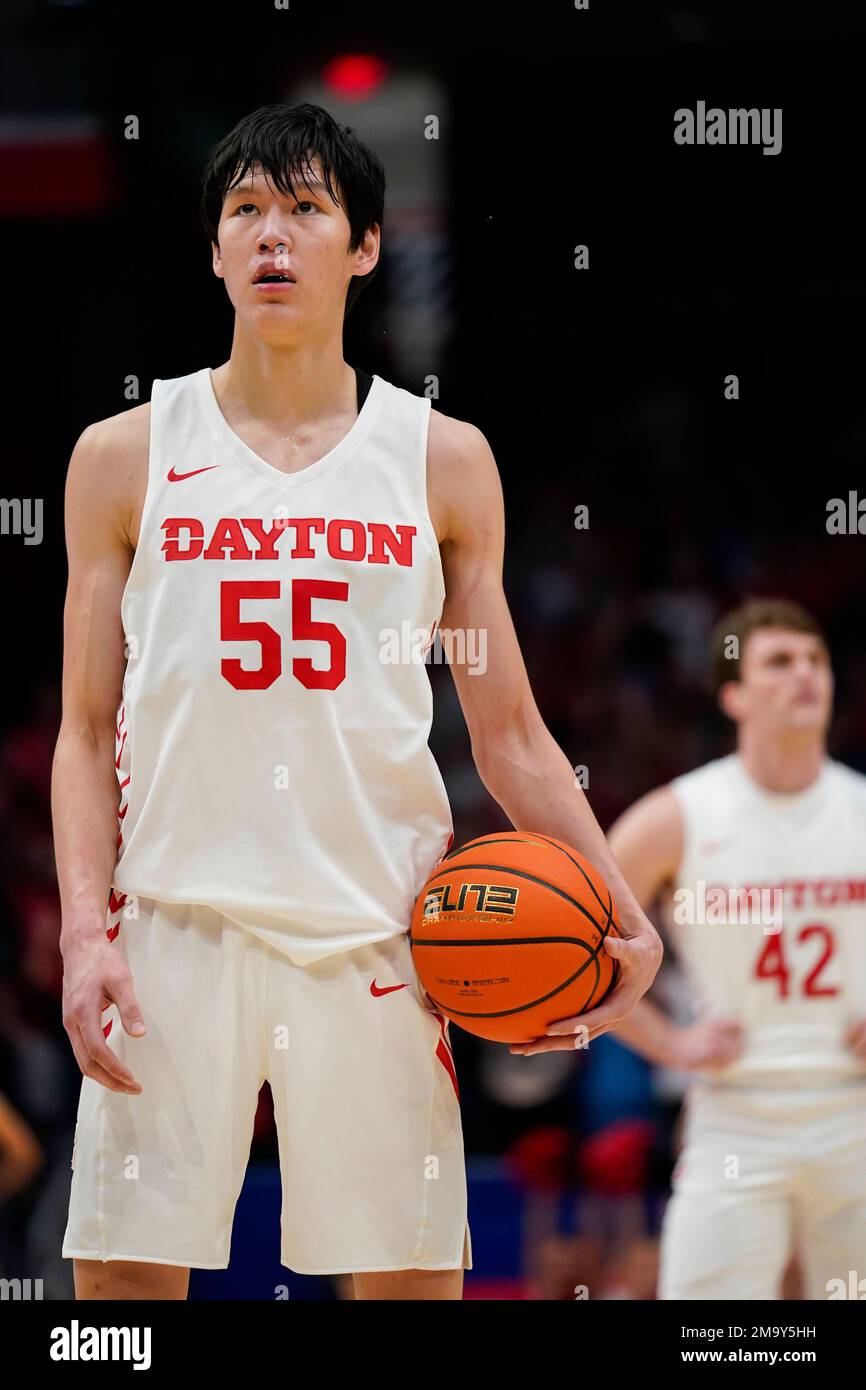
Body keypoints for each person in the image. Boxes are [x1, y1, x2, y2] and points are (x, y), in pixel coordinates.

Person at [53, 101, 661, 1301]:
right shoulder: (122, 452)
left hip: (383, 932)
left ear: (366, 244)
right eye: (245, 212)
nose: (273, 234)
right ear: (215, 250)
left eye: (305, 208)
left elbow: (508, 733)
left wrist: (619, 910)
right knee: (115, 1307)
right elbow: (81, 729)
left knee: (405, 1289)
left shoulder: (440, 457)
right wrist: (84, 931)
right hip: (171, 927)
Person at [601, 598, 866, 1298]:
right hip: (734, 1108)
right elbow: (584, 951)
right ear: (734, 694)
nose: (805, 675)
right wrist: (669, 1044)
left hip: (857, 1104)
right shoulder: (679, 816)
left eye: (816, 661)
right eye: (779, 662)